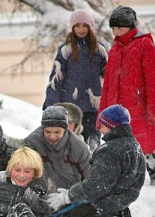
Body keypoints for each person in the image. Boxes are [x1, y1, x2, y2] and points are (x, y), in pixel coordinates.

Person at [47, 105, 146, 217]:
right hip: (121, 201)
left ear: (112, 126)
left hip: (103, 202)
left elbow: (96, 186)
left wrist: (69, 196)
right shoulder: (134, 146)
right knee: (72, 211)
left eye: (103, 125)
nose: (99, 129)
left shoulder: (109, 151)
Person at [98, 6, 155, 186]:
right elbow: (107, 87)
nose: (115, 32)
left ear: (129, 26)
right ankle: (125, 182)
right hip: (116, 110)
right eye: (113, 28)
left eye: (119, 27)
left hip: (139, 108)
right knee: (118, 148)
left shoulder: (144, 45)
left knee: (145, 146)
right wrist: (102, 116)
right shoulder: (114, 49)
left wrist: (154, 113)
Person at [43, 8, 107, 151]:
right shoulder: (65, 50)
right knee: (71, 145)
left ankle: (93, 171)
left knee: (93, 145)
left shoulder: (100, 50)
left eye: (84, 25)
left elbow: (108, 77)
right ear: (72, 27)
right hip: (70, 107)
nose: (81, 29)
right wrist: (50, 105)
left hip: (93, 106)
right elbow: (56, 79)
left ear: (90, 27)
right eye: (77, 25)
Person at [24, 106, 92, 193]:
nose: (52, 136)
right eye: (48, 132)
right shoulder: (32, 143)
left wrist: (71, 195)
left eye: (57, 132)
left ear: (65, 129)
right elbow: (25, 169)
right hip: (40, 191)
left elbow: (90, 177)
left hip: (70, 194)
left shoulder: (78, 147)